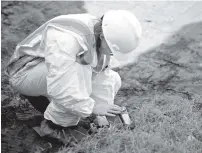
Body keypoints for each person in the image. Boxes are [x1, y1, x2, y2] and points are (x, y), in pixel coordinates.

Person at [5, 10, 142, 144]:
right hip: (24, 72)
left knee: (113, 78)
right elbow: (61, 86)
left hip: (49, 70)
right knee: (79, 72)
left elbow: (101, 71)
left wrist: (102, 110)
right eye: (113, 50)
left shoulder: (100, 30)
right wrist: (91, 108)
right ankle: (56, 126)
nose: (112, 54)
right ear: (103, 38)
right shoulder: (65, 39)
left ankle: (84, 114)